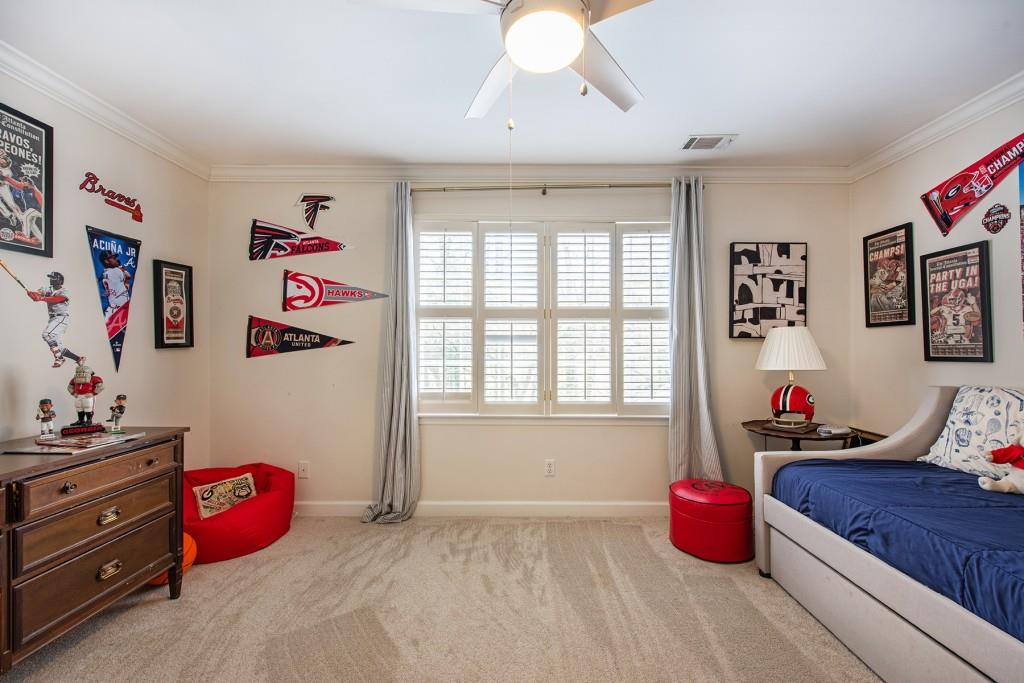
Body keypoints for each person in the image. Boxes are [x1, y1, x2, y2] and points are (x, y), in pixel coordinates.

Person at [26, 271, 82, 368]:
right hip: (53, 319)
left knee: (47, 334)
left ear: (59, 280)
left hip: (61, 318)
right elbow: (38, 293)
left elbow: (58, 299)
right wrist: (33, 295)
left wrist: (42, 298)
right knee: (58, 346)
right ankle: (78, 358)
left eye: (53, 278)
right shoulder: (47, 288)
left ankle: (59, 358)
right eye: (50, 278)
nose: (51, 279)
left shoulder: (64, 291)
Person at [67, 361, 104, 426]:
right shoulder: (74, 379)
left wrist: (93, 393)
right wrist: (73, 393)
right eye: (78, 372)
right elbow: (69, 387)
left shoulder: (93, 378)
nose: (80, 373)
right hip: (78, 396)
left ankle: (89, 420)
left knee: (88, 407)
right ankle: (80, 420)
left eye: (83, 372)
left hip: (88, 396)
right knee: (79, 408)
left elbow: (101, 387)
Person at [99, 249, 132, 315]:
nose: (116, 259)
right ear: (106, 261)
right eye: (113, 258)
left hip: (113, 308)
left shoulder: (104, 273)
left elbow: (126, 284)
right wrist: (121, 269)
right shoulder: (116, 271)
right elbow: (128, 276)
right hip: (121, 308)